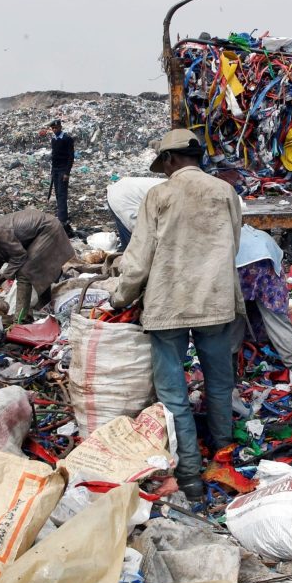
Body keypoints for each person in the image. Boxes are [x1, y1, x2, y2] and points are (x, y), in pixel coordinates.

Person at [110, 129, 243, 501]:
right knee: (219, 383)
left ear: (168, 160)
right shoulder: (224, 191)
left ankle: (188, 476)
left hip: (168, 305)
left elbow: (138, 260)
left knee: (174, 394)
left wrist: (121, 298)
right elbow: (232, 240)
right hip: (215, 303)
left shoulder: (159, 195)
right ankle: (223, 457)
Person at [0, 208, 74, 321]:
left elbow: (19, 257)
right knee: (38, 270)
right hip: (43, 229)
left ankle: (20, 318)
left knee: (24, 272)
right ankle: (45, 306)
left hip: (48, 229)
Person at [234, 225, 292, 380]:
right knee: (276, 319)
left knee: (234, 317)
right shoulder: (250, 231)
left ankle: (232, 374)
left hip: (235, 262)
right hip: (266, 253)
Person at [106, 176, 165, 250]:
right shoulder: (178, 189)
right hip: (124, 197)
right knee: (140, 240)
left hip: (121, 191)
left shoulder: (177, 185)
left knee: (131, 242)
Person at [47, 119, 76, 235]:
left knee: (62, 193)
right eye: (53, 128)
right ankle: (61, 214)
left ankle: (62, 219)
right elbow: (54, 155)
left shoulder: (67, 139)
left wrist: (67, 173)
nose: (54, 130)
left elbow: (71, 157)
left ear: (60, 127)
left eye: (56, 128)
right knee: (58, 194)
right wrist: (52, 171)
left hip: (63, 169)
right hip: (56, 170)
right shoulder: (54, 139)